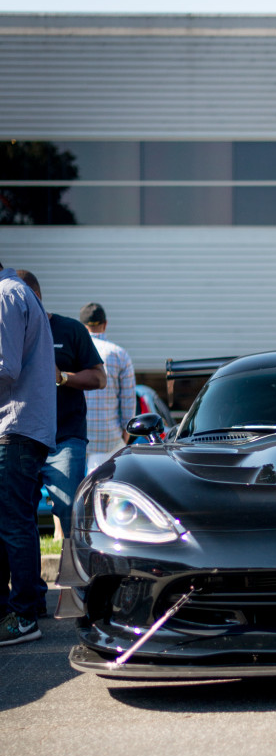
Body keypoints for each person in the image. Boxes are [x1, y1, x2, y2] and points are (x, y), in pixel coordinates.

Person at [16, 271, 106, 541]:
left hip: (64, 438)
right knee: (18, 515)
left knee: (69, 510)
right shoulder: (8, 331)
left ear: (34, 297)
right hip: (21, 438)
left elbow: (99, 378)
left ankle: (76, 577)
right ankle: (26, 581)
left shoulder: (70, 330)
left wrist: (63, 377)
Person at [0, 261, 56, 645]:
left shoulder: (5, 295)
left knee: (13, 526)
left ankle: (21, 619)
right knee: (17, 523)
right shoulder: (19, 292)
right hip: (25, 428)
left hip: (13, 427)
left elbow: (5, 368)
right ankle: (28, 606)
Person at [80, 303, 136, 473]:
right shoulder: (119, 354)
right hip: (109, 443)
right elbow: (128, 402)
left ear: (82, 326)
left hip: (76, 441)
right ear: (105, 324)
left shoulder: (76, 352)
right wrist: (125, 436)